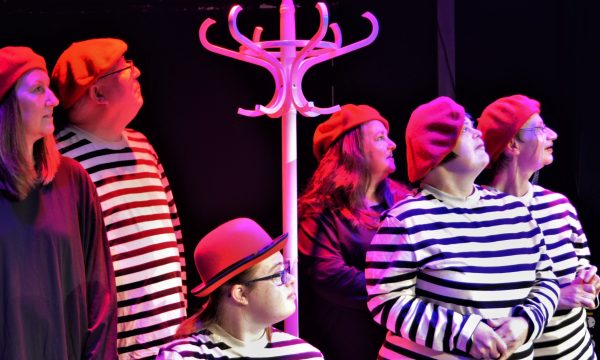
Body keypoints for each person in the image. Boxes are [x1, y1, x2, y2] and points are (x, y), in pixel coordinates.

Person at [365, 96, 560, 359]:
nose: (478, 132)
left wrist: (526, 323)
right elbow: (386, 301)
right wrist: (465, 333)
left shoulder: (514, 210)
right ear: (435, 146)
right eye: (465, 129)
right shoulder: (406, 219)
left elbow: (546, 279)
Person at [51, 38, 187, 359]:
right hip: (117, 347)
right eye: (126, 68)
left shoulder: (143, 146)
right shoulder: (60, 162)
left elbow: (174, 236)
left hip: (172, 340)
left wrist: (182, 313)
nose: (137, 72)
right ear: (98, 93)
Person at [0, 46, 117, 359]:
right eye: (38, 90)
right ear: (7, 104)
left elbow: (100, 292)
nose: (52, 100)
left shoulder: (72, 180)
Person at [478, 94, 599, 359]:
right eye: (541, 128)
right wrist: (558, 297)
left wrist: (589, 282)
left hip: (579, 352)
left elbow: (582, 265)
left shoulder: (559, 205)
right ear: (512, 143)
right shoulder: (479, 215)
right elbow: (482, 302)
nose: (553, 135)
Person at [297, 104, 408, 360]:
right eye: (380, 138)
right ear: (353, 150)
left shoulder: (405, 200)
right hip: (349, 343)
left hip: (403, 342)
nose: (392, 144)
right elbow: (330, 276)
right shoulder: (320, 210)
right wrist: (397, 292)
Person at [156, 217, 324, 359]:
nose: (292, 280)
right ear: (240, 293)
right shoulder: (183, 356)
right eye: (279, 274)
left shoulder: (305, 355)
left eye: (286, 271)